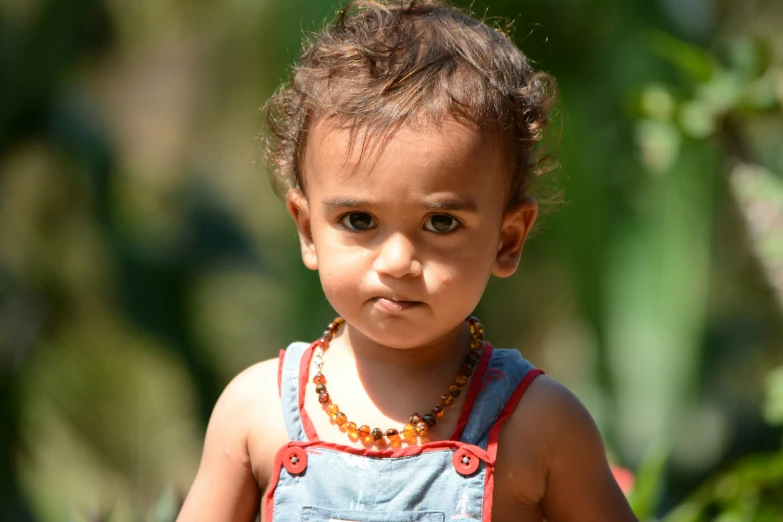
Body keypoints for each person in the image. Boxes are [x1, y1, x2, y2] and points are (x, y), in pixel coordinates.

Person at [178, 1, 638, 520]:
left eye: (441, 223)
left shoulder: (542, 424)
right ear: (307, 230)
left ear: (508, 239)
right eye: (358, 220)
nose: (398, 262)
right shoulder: (255, 412)